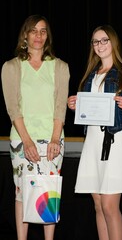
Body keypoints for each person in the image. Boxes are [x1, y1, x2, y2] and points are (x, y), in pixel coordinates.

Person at [68, 25, 122, 240]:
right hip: (92, 141)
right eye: (95, 41)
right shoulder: (90, 75)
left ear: (113, 43)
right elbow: (88, 110)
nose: (100, 45)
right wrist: (75, 104)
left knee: (110, 206)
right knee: (99, 205)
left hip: (114, 140)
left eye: (104, 40)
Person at [1, 14, 70, 240]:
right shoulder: (12, 67)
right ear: (25, 35)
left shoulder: (60, 67)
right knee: (22, 192)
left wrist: (54, 139)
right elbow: (13, 109)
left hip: (53, 140)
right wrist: (27, 141)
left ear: (47, 36)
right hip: (22, 140)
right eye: (33, 30)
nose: (38, 35)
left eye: (43, 31)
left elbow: (61, 107)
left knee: (49, 192)